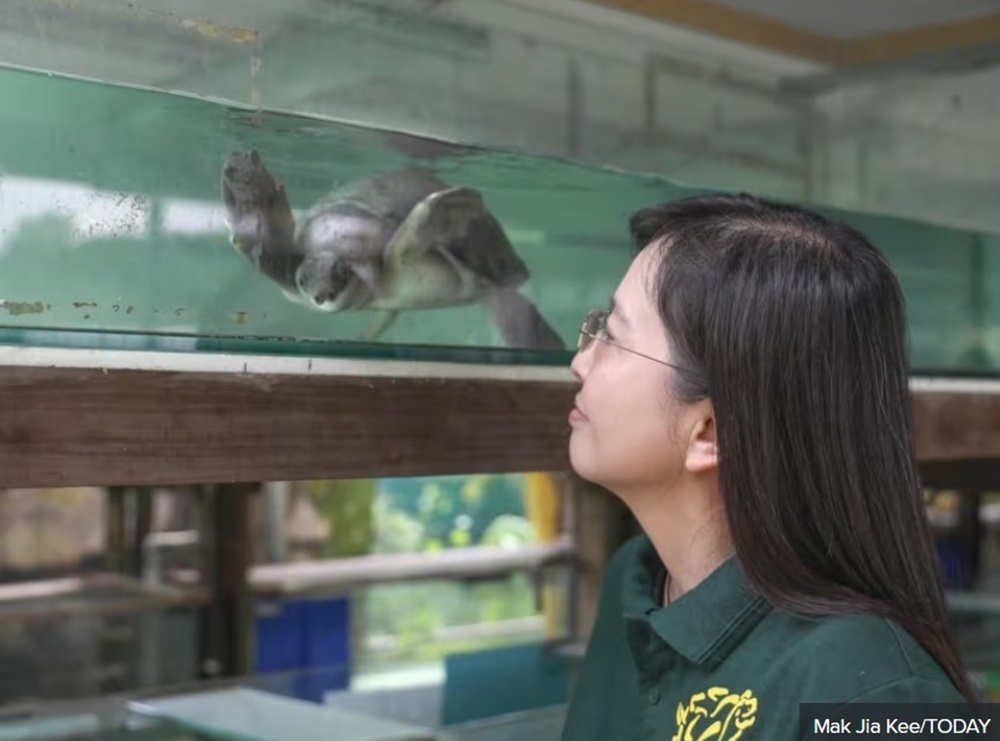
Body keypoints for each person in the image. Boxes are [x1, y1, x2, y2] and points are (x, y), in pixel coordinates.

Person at [560, 193, 977, 741]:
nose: (580, 360)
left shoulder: (881, 696)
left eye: (613, 336)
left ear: (710, 432)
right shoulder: (635, 581)